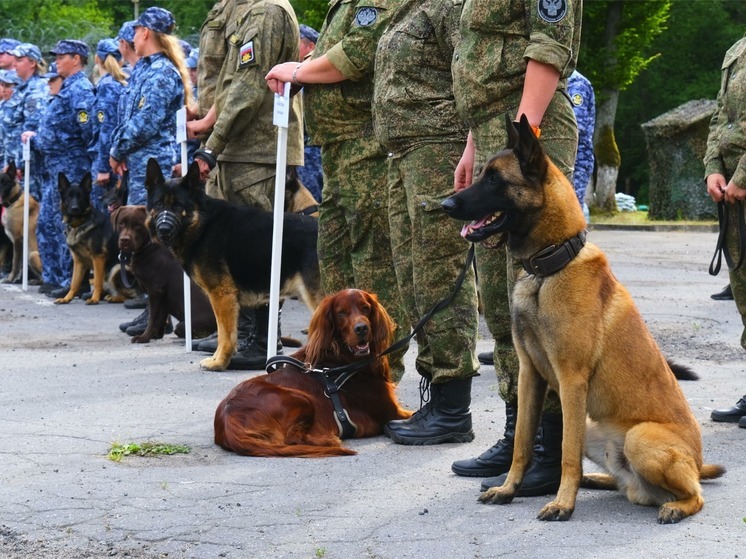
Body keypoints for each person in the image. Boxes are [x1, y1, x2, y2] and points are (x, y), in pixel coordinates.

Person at [449, 0, 582, 495]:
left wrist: (519, 146)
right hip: (496, 134)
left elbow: (547, 49)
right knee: (508, 305)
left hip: (532, 132)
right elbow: (478, 70)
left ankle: (548, 450)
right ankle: (517, 435)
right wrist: (474, 148)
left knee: (547, 304)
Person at [265, 0, 410, 382]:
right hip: (337, 149)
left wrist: (300, 70)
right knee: (333, 261)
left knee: (372, 265)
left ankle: (382, 372)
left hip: (365, 146)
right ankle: (342, 364)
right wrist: (303, 77)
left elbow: (355, 56)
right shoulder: (341, 6)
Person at [370, 0, 479, 445]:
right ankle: (437, 397)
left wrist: (471, 145)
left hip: (440, 148)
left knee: (440, 273)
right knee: (412, 275)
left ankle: (454, 408)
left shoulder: (453, 6)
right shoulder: (408, 8)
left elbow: (471, 78)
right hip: (405, 153)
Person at [186, 0, 305, 370]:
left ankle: (263, 340)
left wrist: (212, 142)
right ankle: (239, 335)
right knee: (233, 250)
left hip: (258, 148)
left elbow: (250, 87)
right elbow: (226, 80)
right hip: (237, 147)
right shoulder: (239, 9)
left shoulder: (266, 11)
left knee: (261, 248)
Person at [22, 39, 95, 298]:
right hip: (55, 166)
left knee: (66, 223)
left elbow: (87, 129)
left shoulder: (80, 89)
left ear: (76, 59)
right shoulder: (66, 88)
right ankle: (53, 276)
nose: (56, 61)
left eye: (61, 56)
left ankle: (70, 279)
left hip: (72, 165)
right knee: (48, 223)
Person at [704, 31, 746, 430]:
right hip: (734, 195)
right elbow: (720, 116)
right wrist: (713, 167)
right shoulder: (737, 49)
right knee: (745, 291)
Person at [109, 7, 191, 206]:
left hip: (151, 167)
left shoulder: (162, 72)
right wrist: (119, 151)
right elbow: (127, 117)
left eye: (136, 31)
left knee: (146, 229)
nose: (133, 38)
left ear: (145, 32)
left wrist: (117, 152)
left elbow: (145, 123)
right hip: (136, 165)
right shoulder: (144, 69)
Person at [3, 43, 47, 203]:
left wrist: (20, 162)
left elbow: (30, 129)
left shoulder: (36, 91)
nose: (14, 64)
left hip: (31, 164)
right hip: (18, 163)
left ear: (32, 63)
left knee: (32, 210)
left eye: (19, 60)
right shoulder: (22, 89)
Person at [92, 39, 127, 212]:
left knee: (104, 218)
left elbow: (107, 129)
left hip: (109, 163)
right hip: (118, 158)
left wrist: (103, 168)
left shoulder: (107, 86)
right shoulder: (120, 82)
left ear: (97, 58)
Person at [295, 24, 323, 203]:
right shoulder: (296, 74)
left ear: (310, 47)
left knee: (311, 208)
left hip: (312, 155)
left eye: (296, 42)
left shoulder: (315, 77)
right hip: (301, 153)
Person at [568, 70, 595, 222]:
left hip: (577, 159)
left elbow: (577, 125)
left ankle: (576, 245)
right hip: (566, 155)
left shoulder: (576, 83)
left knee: (572, 211)